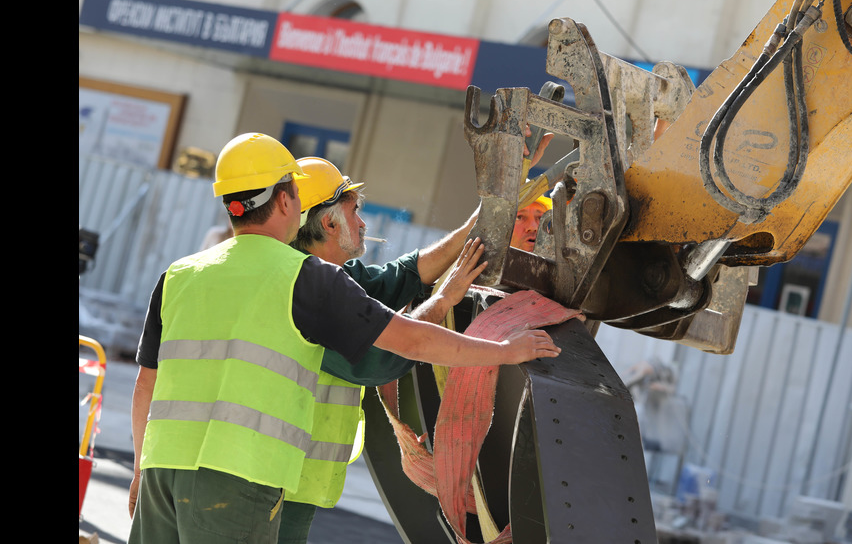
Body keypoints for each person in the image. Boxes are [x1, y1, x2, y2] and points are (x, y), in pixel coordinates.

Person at [127, 132, 561, 544]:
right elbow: (401, 347)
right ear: (286, 200)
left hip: (162, 472)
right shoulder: (306, 281)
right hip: (246, 477)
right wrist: (502, 349)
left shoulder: (180, 275)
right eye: (352, 208)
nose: (362, 220)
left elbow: (146, 383)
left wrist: (139, 472)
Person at [277, 156, 491, 542]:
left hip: (287, 475)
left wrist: (481, 218)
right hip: (275, 480)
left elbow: (401, 278)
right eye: (354, 211)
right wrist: (443, 300)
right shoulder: (307, 292)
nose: (362, 223)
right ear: (328, 223)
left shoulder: (327, 277)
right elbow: (379, 362)